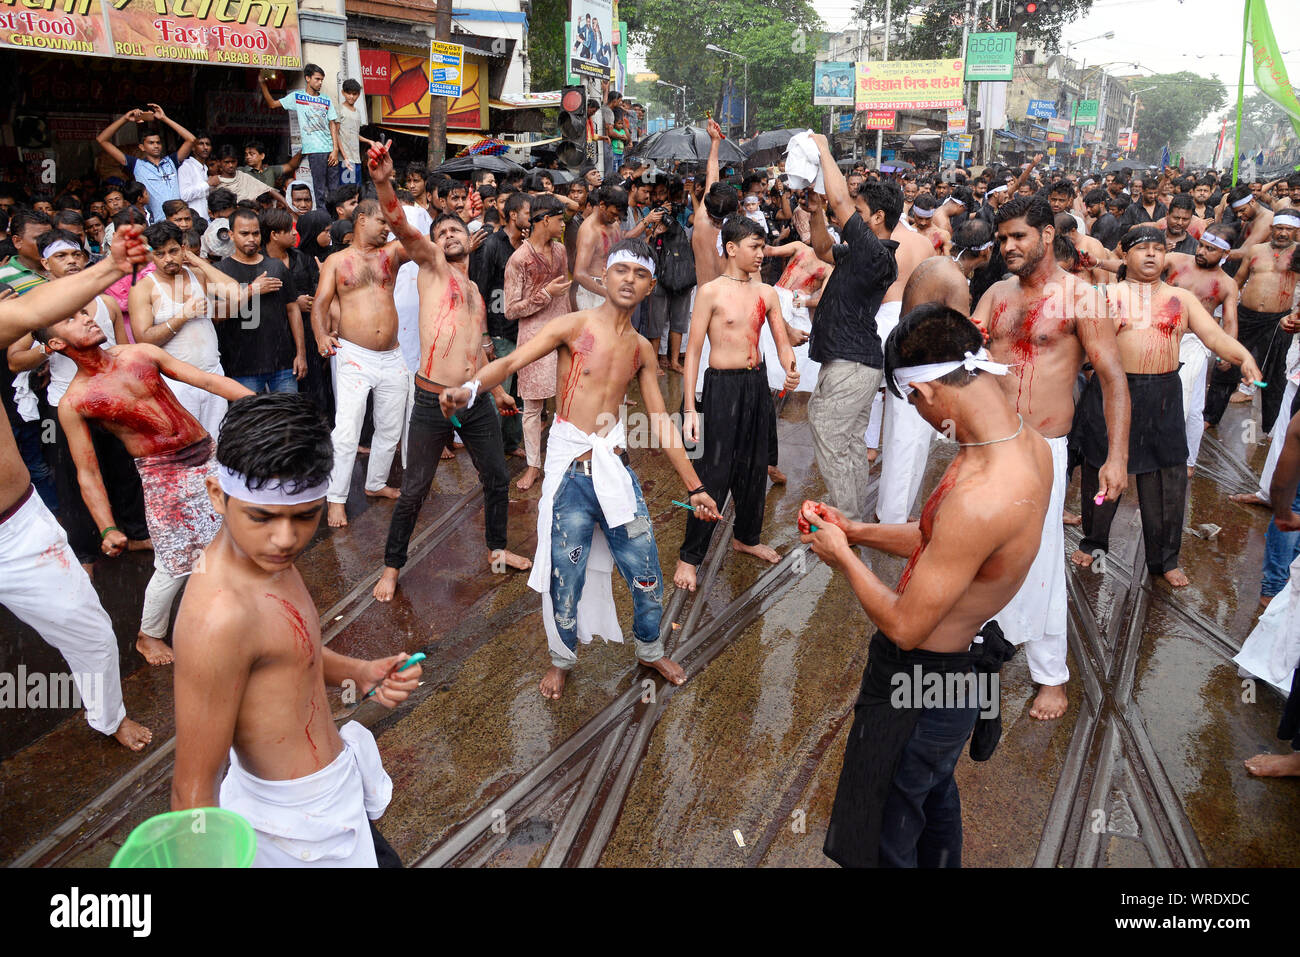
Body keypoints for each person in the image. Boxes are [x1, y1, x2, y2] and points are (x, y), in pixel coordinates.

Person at [811, 303, 1052, 868]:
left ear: (926, 393)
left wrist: (842, 556)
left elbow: (905, 624)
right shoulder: (1025, 445)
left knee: (881, 831)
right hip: (955, 680)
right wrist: (858, 530)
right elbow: (935, 537)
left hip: (918, 685)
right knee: (931, 792)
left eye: (912, 403)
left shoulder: (981, 496)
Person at [440, 237, 721, 699]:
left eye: (641, 274)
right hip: (570, 473)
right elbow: (510, 361)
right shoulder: (574, 326)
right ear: (605, 277)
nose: (630, 280)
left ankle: (650, 651)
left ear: (651, 287)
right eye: (622, 270)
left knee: (646, 569)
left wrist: (695, 487)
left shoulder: (641, 352)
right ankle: (562, 659)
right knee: (563, 576)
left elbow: (661, 425)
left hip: (613, 469)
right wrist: (469, 390)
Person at [170, 393, 421, 866]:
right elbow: (193, 789)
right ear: (216, 495)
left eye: (305, 516)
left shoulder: (263, 555)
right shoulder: (219, 617)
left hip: (333, 796)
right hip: (289, 832)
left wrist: (360, 672)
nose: (285, 539)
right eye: (262, 517)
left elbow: (289, 649)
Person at [971, 194, 1132, 721]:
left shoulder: (1081, 297)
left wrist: (1116, 456)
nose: (1008, 246)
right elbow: (967, 354)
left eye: (1018, 236)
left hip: (1042, 447)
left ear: (1046, 234)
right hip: (985, 446)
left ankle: (1051, 677)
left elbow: (1111, 378)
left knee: (1040, 563)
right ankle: (976, 644)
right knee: (974, 551)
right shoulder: (995, 291)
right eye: (1001, 239)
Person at [0, 224, 154, 749]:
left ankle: (108, 717)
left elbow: (29, 314)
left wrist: (112, 266)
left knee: (89, 631)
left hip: (15, 531)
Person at [39, 300, 254, 664]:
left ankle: (238, 610)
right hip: (163, 474)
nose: (86, 318)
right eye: (70, 318)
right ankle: (148, 635)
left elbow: (207, 380)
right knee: (174, 562)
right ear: (56, 345)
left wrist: (264, 405)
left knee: (236, 535)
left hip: (206, 453)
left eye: (83, 312)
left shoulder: (140, 353)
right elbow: (87, 471)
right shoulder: (74, 401)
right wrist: (107, 527)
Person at [364, 142, 530, 602]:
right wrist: (383, 181)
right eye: (442, 232)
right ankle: (392, 567)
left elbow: (476, 347)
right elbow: (400, 224)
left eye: (458, 230)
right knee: (414, 490)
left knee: (496, 478)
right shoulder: (433, 267)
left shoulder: (475, 290)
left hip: (472, 399)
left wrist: (495, 394)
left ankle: (497, 550)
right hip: (431, 399)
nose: (450, 235)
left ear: (471, 237)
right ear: (433, 244)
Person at [1073, 225, 1263, 588]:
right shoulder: (1104, 294)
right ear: (1125, 255)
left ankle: (1164, 558)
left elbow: (1216, 337)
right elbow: (1075, 343)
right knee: (1101, 469)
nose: (1150, 255)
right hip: (1113, 390)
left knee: (1167, 479)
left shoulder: (1182, 298)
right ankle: (1094, 542)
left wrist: (1244, 359)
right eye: (1141, 248)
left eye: (1157, 250)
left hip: (1162, 393)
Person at [676, 216, 799, 591]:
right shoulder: (711, 292)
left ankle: (747, 537)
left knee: (753, 465)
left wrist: (790, 368)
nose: (762, 254)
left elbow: (780, 340)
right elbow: (693, 353)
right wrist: (689, 410)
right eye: (755, 246)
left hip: (755, 384)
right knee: (712, 472)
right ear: (731, 248)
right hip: (721, 387)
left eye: (763, 247)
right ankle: (689, 557)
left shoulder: (766, 294)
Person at [805, 133, 899, 524]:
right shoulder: (861, 253)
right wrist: (815, 211)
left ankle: (844, 522)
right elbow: (823, 250)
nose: (852, 215)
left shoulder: (876, 254)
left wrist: (823, 149)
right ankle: (854, 518)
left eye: (860, 211)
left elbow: (842, 202)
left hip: (853, 364)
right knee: (848, 444)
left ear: (876, 217)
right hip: (849, 361)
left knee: (827, 430)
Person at [310, 199, 409, 527]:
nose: (387, 228)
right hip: (354, 355)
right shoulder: (336, 261)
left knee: (390, 426)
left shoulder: (392, 253)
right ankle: (335, 499)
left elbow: (415, 243)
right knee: (348, 429)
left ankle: (375, 482)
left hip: (392, 355)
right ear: (361, 219)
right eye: (381, 222)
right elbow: (321, 303)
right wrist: (322, 336)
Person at [129, 221, 255, 439]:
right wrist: (184, 315)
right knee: (188, 447)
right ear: (151, 255)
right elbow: (144, 340)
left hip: (212, 374)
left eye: (174, 251)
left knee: (219, 443)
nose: (168, 259)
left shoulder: (198, 275)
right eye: (160, 254)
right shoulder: (144, 288)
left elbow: (235, 294)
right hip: (176, 382)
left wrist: (199, 262)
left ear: (183, 248)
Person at [1204, 211, 1298, 433]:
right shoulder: (1256, 251)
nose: (1283, 233)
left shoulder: (1298, 253)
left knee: (1275, 375)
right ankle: (1210, 416)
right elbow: (1237, 280)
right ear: (1272, 228)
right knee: (1226, 364)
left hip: (1278, 321)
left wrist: (1294, 315)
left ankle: (1271, 427)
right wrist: (1224, 309)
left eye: (1288, 229)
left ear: (1296, 231)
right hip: (1245, 315)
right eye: (1279, 227)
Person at [504, 193, 570, 491]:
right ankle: (533, 467)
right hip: (534, 340)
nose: (563, 225)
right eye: (560, 220)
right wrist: (546, 294)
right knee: (532, 408)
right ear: (546, 220)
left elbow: (565, 293)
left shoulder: (560, 250)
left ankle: (566, 460)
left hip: (562, 335)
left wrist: (574, 329)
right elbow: (510, 309)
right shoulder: (519, 259)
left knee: (567, 403)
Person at [1162, 225, 1239, 474]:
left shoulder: (1226, 284)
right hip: (1161, 335)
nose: (1202, 251)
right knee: (1184, 404)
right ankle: (1173, 456)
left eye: (1211, 249)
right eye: (1201, 245)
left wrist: (1228, 351)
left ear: (1225, 255)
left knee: (1185, 403)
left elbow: (1230, 322)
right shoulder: (1175, 261)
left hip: (1194, 344)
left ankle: (1182, 459)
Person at [214, 208, 306, 394]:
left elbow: (292, 309)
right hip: (242, 367)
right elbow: (216, 316)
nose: (251, 239)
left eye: (255, 233)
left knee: (288, 420)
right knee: (249, 422)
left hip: (283, 365)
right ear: (231, 235)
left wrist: (301, 353)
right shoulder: (220, 271)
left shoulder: (276, 266)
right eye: (244, 233)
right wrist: (251, 291)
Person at [472, 190, 530, 460]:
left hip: (524, 331)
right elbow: (478, 293)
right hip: (498, 332)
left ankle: (510, 442)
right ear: (514, 215)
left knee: (518, 392)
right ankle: (490, 449)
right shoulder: (493, 245)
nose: (533, 219)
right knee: (499, 394)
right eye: (529, 213)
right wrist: (484, 336)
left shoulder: (528, 246)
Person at [95, 105, 197, 223]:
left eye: (158, 142)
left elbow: (191, 139)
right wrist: (125, 119)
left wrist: (164, 118)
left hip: (180, 221)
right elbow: (102, 140)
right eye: (151, 143)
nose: (156, 145)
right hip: (157, 224)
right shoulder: (137, 165)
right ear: (142, 147)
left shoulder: (171, 161)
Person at [259, 65, 341, 207]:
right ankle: (324, 222)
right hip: (315, 151)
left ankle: (336, 223)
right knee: (319, 190)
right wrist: (262, 83)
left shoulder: (326, 99)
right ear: (307, 78)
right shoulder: (297, 97)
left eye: (322, 80)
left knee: (334, 190)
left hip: (330, 151)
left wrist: (335, 150)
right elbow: (272, 104)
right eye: (317, 79)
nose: (320, 82)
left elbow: (332, 124)